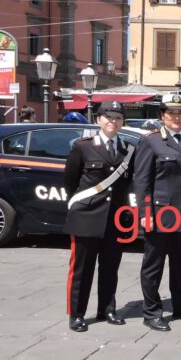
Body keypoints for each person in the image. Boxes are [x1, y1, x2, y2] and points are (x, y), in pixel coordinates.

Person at [134, 93, 181, 332]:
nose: (176, 117)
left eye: (180, 113)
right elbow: (142, 180)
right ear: (162, 116)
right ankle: (152, 311)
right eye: (171, 113)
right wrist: (145, 212)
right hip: (160, 215)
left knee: (180, 263)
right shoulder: (151, 141)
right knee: (153, 264)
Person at [63, 101, 135, 332]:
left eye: (117, 118)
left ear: (123, 122)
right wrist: (81, 207)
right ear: (98, 120)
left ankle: (107, 309)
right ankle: (77, 314)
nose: (112, 121)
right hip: (86, 217)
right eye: (108, 117)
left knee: (110, 267)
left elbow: (126, 186)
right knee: (81, 270)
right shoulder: (82, 147)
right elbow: (70, 183)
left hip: (114, 220)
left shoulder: (128, 150)